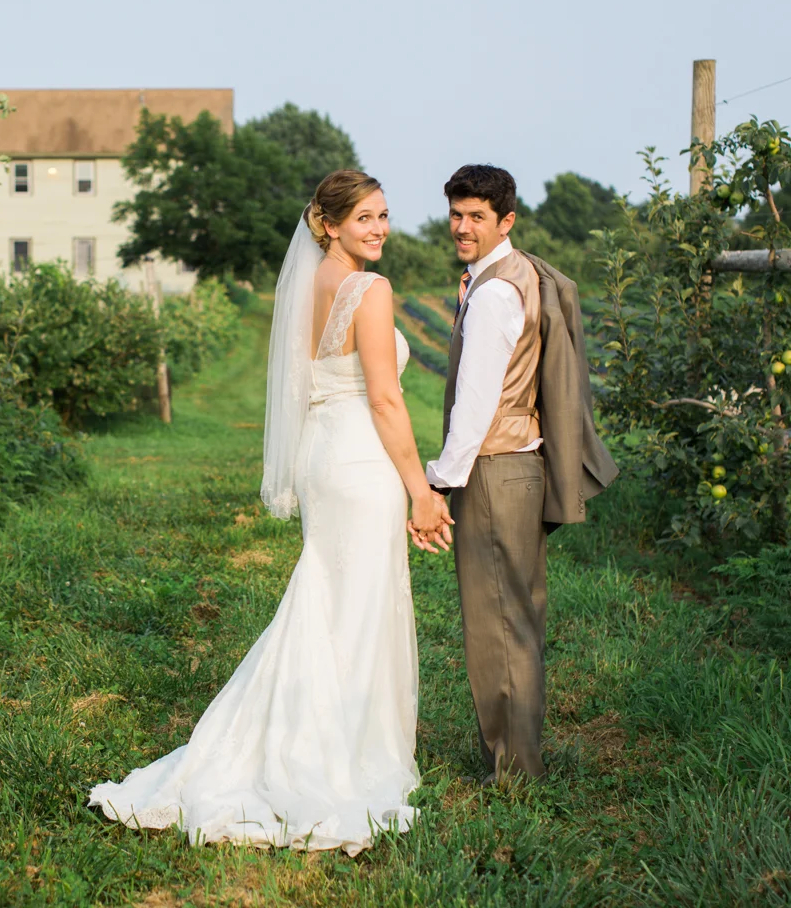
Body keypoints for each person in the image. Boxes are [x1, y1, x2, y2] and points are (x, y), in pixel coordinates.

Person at [88, 170, 448, 855]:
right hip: (360, 462)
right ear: (330, 225)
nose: (380, 229)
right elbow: (385, 402)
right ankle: (340, 754)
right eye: (366, 218)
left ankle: (303, 735)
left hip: (322, 458)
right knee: (359, 606)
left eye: (384, 216)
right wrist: (422, 490)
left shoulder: (303, 288)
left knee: (329, 599)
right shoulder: (369, 291)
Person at [415, 164, 617, 785]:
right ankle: (519, 763)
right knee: (519, 622)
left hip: (494, 472)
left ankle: (513, 776)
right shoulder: (521, 272)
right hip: (522, 467)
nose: (462, 228)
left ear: (506, 220)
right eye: (456, 214)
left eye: (477, 217)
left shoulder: (497, 292)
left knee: (496, 626)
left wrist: (439, 480)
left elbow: (475, 406)